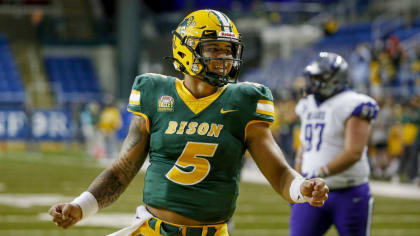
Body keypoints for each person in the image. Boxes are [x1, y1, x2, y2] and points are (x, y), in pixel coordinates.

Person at [49, 9, 329, 236]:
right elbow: (122, 170)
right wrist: (81, 206)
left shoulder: (244, 101)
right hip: (152, 230)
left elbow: (279, 173)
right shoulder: (155, 92)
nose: (225, 59)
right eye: (214, 49)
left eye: (228, 49)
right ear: (186, 50)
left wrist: (301, 188)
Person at [291, 52, 379, 236]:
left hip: (348, 191)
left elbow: (353, 152)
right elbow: (303, 147)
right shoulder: (307, 104)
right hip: (311, 191)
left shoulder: (354, 103)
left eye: (319, 77)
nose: (313, 82)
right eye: (312, 77)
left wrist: (320, 172)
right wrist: (296, 180)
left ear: (335, 79)